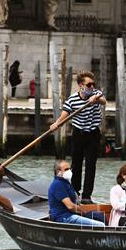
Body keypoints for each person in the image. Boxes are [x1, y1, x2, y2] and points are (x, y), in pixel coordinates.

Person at [49, 71, 107, 203]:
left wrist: (96, 99)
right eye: (89, 84)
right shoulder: (72, 99)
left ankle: (86, 196)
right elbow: (65, 114)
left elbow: (103, 101)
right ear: (81, 85)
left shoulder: (96, 93)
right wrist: (56, 124)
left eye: (93, 84)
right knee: (76, 165)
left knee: (91, 165)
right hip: (78, 134)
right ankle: (75, 193)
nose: (92, 87)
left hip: (93, 134)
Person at [48, 159, 106, 226]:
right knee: (100, 225)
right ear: (58, 171)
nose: (69, 171)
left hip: (71, 214)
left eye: (70, 169)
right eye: (66, 169)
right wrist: (84, 213)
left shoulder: (66, 183)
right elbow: (70, 206)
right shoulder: (58, 184)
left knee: (100, 216)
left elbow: (76, 200)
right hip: (63, 217)